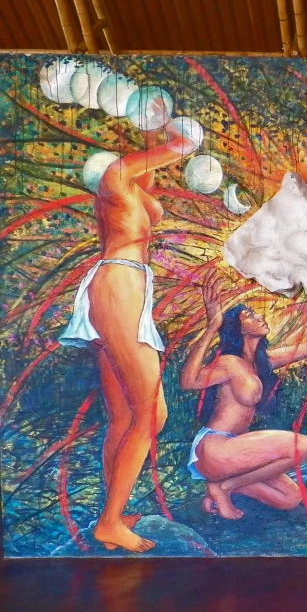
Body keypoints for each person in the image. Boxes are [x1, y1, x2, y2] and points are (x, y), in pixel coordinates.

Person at [58, 108, 199, 552]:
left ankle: (113, 513)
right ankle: (109, 522)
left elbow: (151, 195)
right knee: (152, 414)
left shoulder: (125, 197)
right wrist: (170, 128)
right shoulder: (116, 182)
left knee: (122, 415)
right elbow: (181, 146)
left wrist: (152, 143)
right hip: (119, 288)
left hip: (120, 289)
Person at [180, 276, 307, 520]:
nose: (259, 316)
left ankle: (221, 486)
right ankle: (225, 487)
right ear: (238, 329)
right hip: (215, 449)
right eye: (249, 315)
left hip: (236, 451)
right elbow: (188, 382)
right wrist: (212, 327)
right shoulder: (229, 363)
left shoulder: (261, 361)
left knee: (290, 498)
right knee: (302, 445)